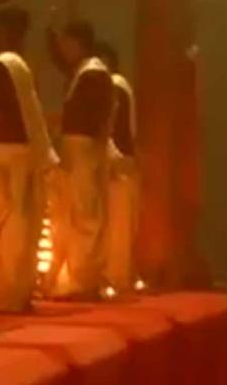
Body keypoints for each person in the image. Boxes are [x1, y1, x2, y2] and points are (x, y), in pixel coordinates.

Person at [0, 0, 56, 312]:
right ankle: (14, 292)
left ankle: (2, 294)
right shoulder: (20, 65)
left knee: (3, 233)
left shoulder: (1, 66)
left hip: (4, 158)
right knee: (20, 230)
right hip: (23, 158)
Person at [44, 20, 113, 299]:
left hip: (84, 151)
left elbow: (93, 120)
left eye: (66, 44)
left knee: (85, 215)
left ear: (78, 43)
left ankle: (82, 278)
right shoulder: (82, 72)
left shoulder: (94, 74)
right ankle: (73, 275)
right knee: (71, 216)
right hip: (76, 151)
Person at [97, 42, 140, 291]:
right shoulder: (121, 85)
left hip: (118, 164)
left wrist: (110, 157)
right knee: (120, 228)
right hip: (125, 162)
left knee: (116, 228)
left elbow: (115, 129)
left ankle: (114, 279)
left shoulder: (114, 86)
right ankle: (118, 278)